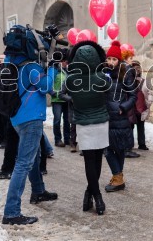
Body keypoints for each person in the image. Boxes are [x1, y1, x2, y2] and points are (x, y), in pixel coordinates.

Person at [2, 39, 59, 225]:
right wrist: (52, 68)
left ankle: (38, 191)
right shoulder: (31, 66)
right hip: (31, 118)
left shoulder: (12, 64)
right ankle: (11, 212)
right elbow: (46, 87)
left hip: (18, 117)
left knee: (34, 155)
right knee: (24, 163)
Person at [66, 40, 111, 214]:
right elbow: (107, 87)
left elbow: (66, 92)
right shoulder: (102, 79)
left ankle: (92, 194)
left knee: (89, 160)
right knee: (98, 158)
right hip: (100, 122)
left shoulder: (71, 81)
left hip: (83, 124)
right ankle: (95, 196)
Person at [104, 41, 137, 192]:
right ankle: (118, 176)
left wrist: (123, 107)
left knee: (119, 149)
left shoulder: (126, 74)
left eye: (114, 59)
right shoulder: (104, 73)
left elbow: (133, 96)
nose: (110, 62)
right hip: (106, 117)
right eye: (108, 59)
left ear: (119, 60)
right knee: (107, 148)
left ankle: (118, 177)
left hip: (119, 117)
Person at [132, 60, 153, 151]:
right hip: (131, 107)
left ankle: (142, 144)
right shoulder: (128, 81)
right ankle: (130, 144)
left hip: (141, 107)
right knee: (130, 127)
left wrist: (148, 103)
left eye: (138, 68)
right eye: (134, 68)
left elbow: (150, 93)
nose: (137, 70)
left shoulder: (145, 81)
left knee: (141, 127)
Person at [51, 55, 70, 147]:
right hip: (57, 100)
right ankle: (58, 139)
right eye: (66, 62)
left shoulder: (67, 72)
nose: (67, 64)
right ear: (61, 61)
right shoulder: (54, 71)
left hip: (66, 100)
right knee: (57, 120)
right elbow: (49, 85)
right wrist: (55, 93)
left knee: (67, 120)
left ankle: (67, 139)